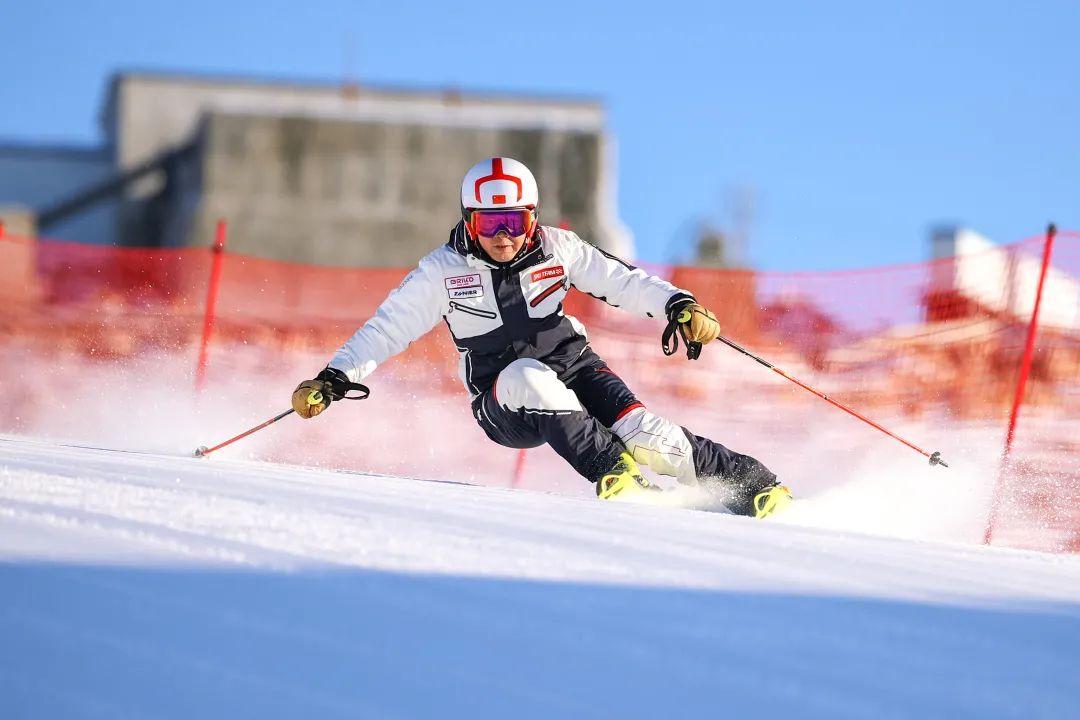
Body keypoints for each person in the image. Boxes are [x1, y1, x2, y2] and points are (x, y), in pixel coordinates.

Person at [291, 157, 791, 517]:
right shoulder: (441, 271)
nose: (502, 234)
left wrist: (678, 305)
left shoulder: (558, 249)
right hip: (500, 398)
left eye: (514, 220)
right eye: (489, 222)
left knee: (651, 437)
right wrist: (333, 378)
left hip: (575, 367)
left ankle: (756, 489)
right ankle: (615, 472)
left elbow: (622, 281)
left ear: (532, 218)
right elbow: (386, 329)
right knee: (530, 377)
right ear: (469, 221)